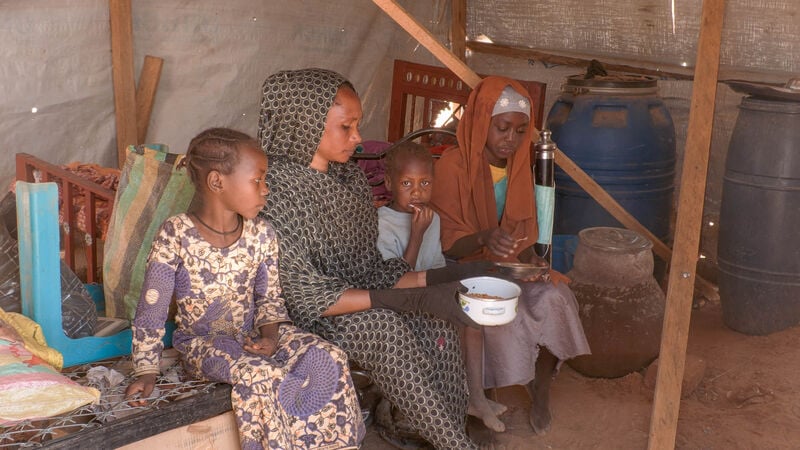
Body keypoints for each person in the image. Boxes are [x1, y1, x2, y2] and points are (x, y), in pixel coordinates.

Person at [258, 68, 486, 450]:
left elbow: (371, 270)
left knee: (439, 322)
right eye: (346, 127)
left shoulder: (350, 181)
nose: (358, 138)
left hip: (360, 296)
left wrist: (448, 279)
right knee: (384, 328)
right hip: (304, 317)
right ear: (305, 124)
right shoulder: (275, 192)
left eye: (357, 125)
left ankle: (425, 427)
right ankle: (457, 445)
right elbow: (304, 298)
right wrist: (405, 297)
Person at [125, 128, 364, 450]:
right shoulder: (177, 234)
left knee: (329, 355)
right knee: (259, 373)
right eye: (258, 180)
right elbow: (152, 308)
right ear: (217, 182)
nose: (266, 190)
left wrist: (270, 336)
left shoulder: (262, 234)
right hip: (203, 343)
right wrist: (146, 369)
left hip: (252, 336)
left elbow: (270, 299)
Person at [429, 77, 591, 435]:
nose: (512, 140)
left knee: (555, 297)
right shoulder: (453, 167)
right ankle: (480, 396)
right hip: (463, 267)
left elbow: (524, 235)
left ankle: (541, 387)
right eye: (503, 128)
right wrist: (484, 238)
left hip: (504, 267)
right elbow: (446, 245)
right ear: (481, 121)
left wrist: (531, 261)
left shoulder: (518, 165)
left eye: (520, 131)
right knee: (494, 313)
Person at [375, 142, 508, 433]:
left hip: (425, 292)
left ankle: (475, 396)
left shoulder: (431, 217)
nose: (417, 192)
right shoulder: (382, 223)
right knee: (461, 313)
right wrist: (417, 234)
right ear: (389, 184)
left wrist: (463, 284)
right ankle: (469, 398)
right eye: (407, 183)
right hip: (397, 301)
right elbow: (395, 280)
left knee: (470, 309)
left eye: (425, 183)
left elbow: (435, 266)